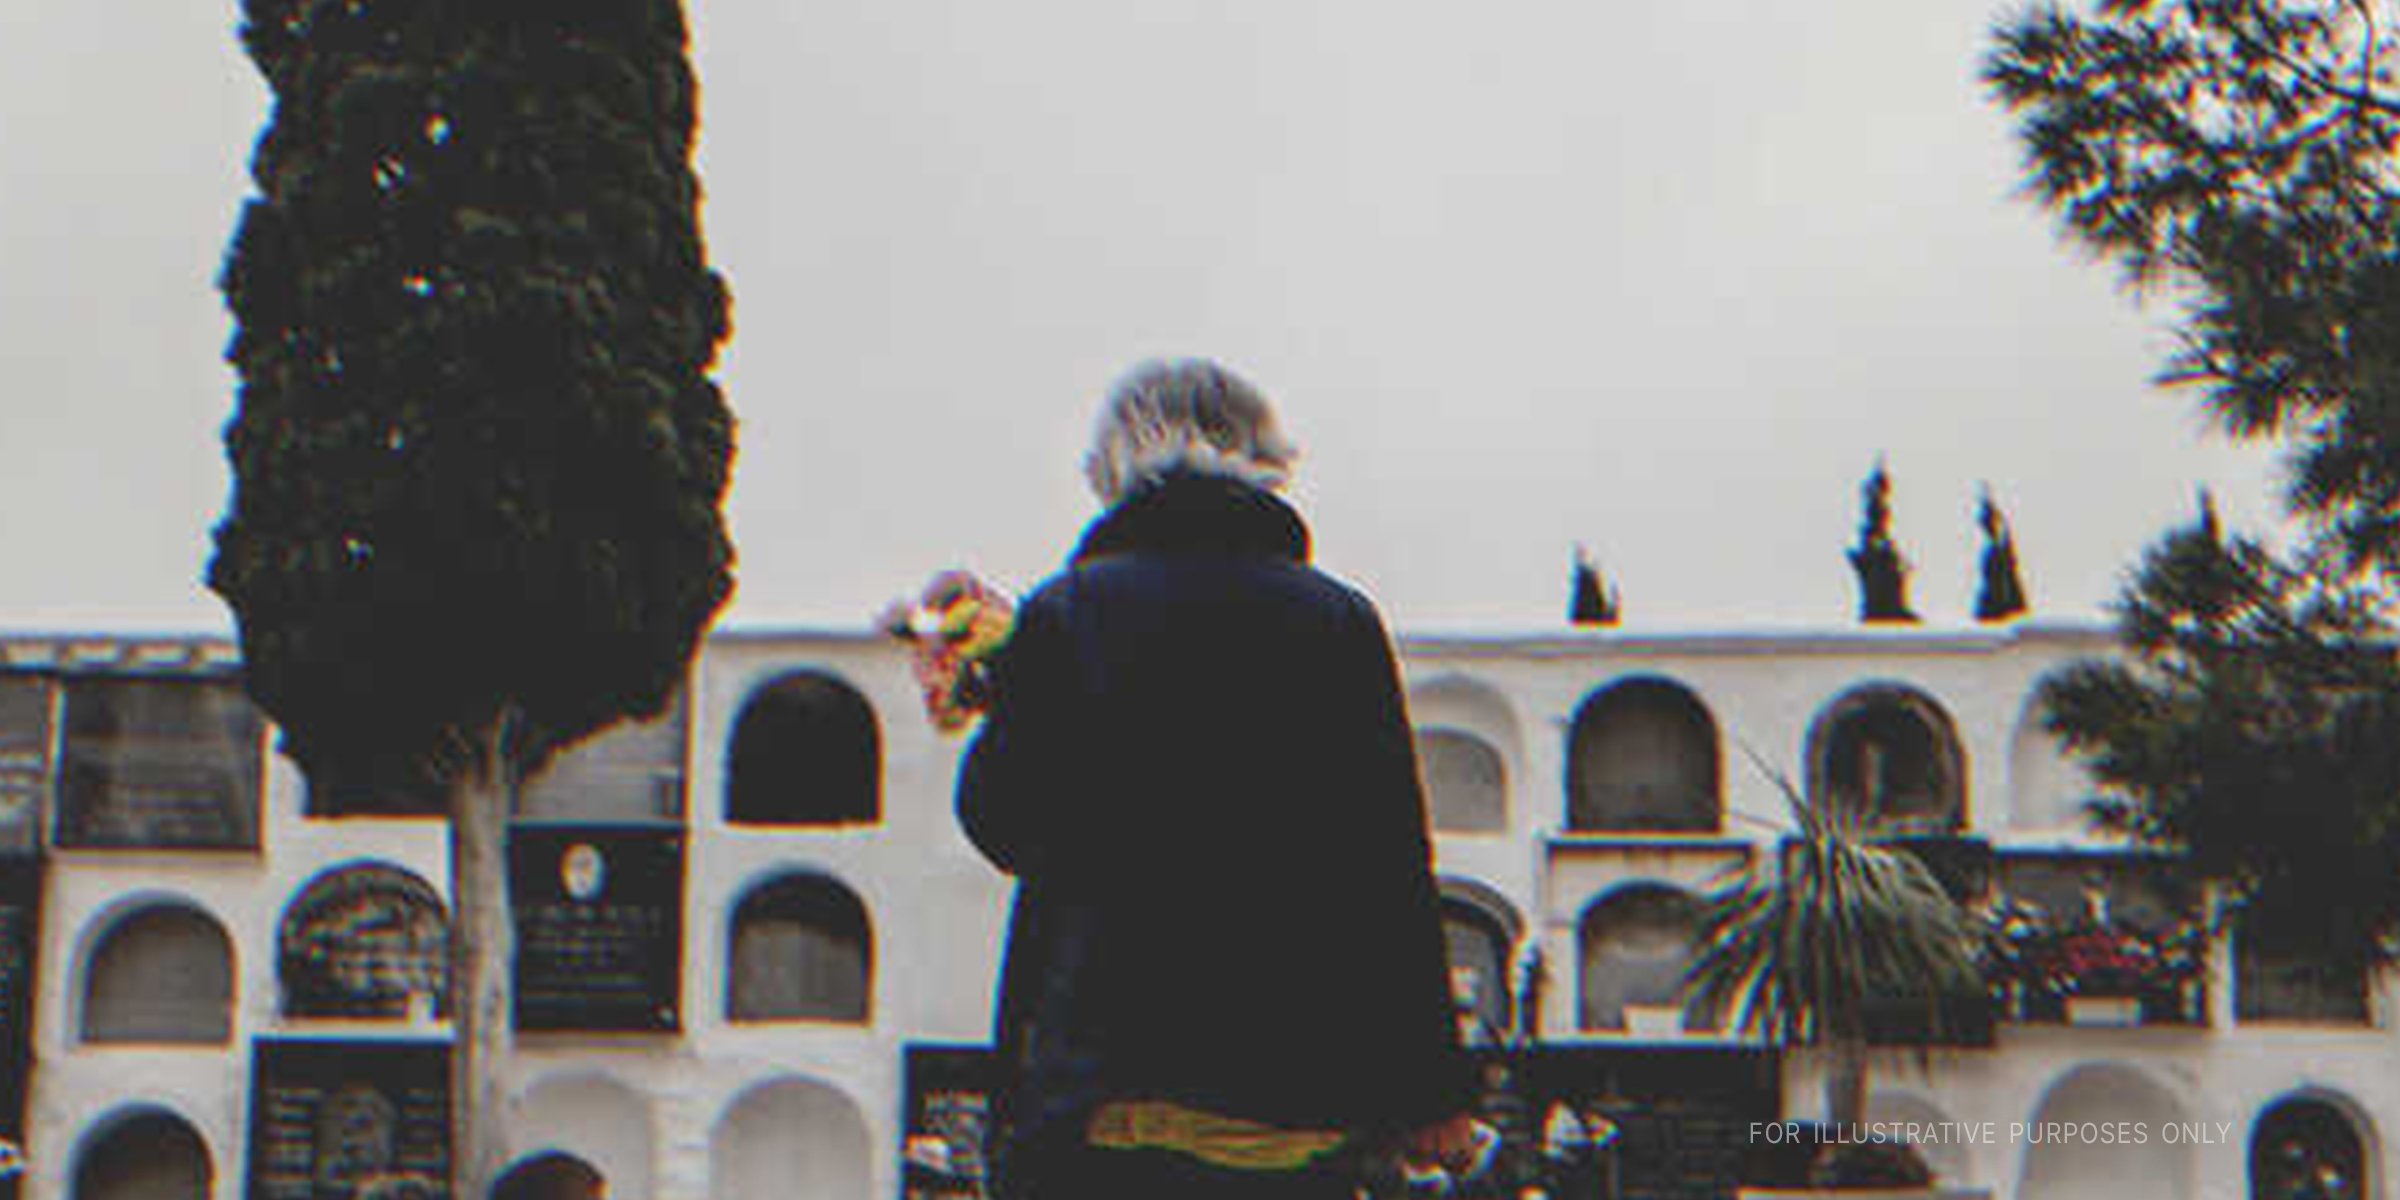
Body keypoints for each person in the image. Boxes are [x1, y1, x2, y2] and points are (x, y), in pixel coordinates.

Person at [956, 359, 1481, 1199]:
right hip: (1295, 1104)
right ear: (1263, 457)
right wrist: (1431, 1092)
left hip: (1111, 1095)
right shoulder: (1338, 620)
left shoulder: (1069, 614)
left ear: (1117, 467)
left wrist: (993, 695)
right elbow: (1387, 865)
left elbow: (1006, 824)